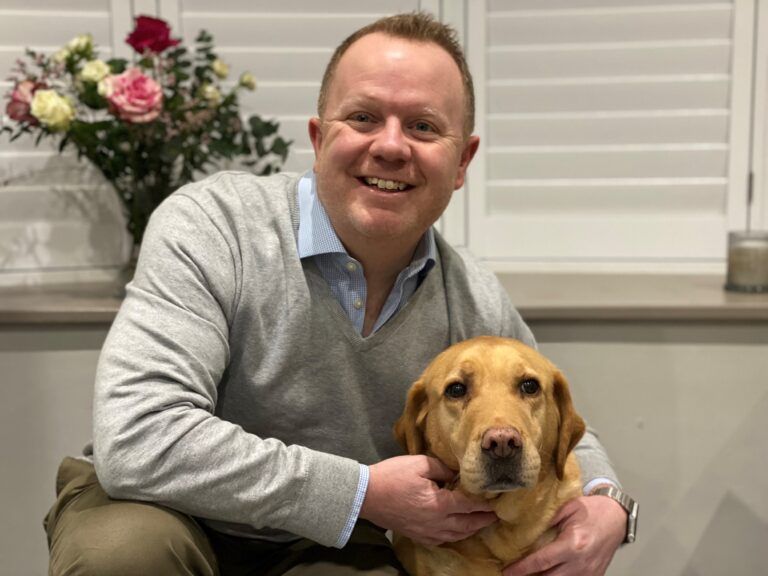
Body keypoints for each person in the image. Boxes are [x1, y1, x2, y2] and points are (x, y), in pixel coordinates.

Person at [44, 12, 631, 576]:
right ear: (320, 137)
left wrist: (608, 503)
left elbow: (557, 414)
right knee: (120, 557)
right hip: (161, 508)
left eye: (424, 126)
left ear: (462, 161)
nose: (392, 146)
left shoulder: (471, 293)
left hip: (330, 536)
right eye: (364, 118)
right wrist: (362, 491)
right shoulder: (211, 226)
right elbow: (139, 438)